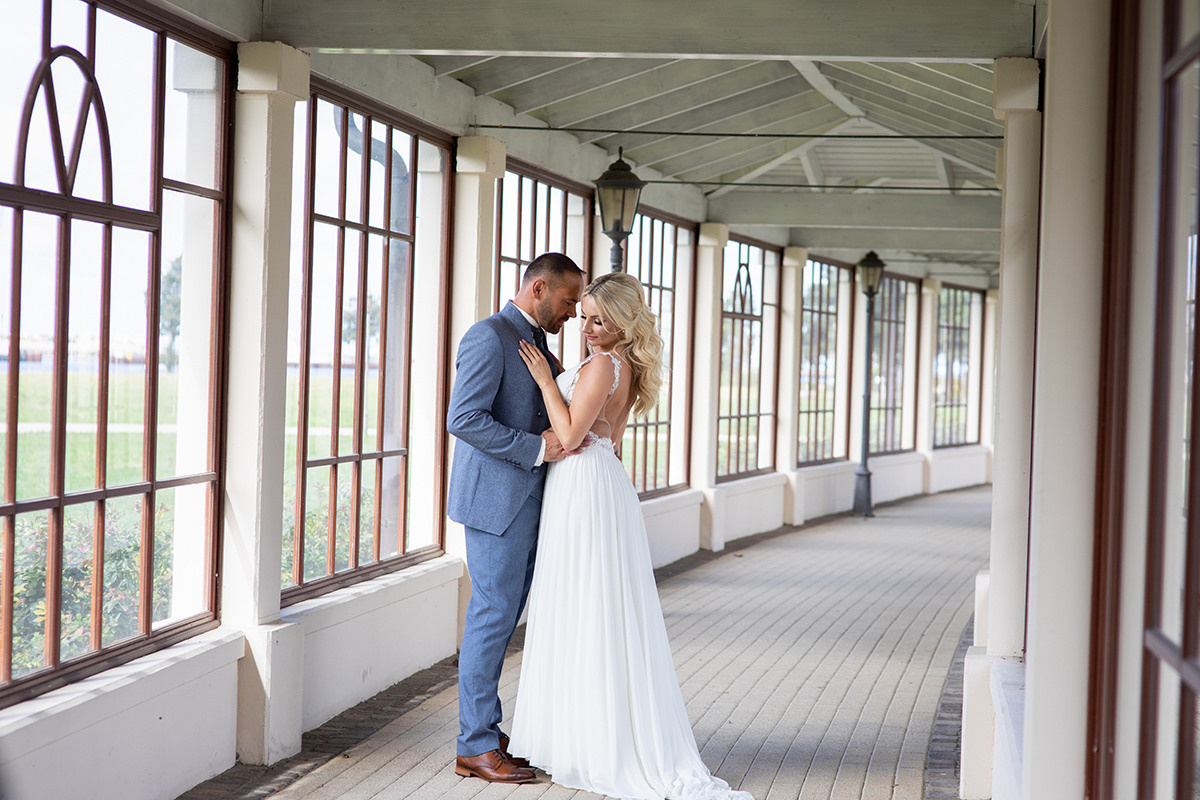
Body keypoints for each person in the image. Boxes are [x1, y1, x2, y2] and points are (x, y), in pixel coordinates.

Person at [510, 272, 754, 800]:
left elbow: (574, 437)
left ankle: (590, 744)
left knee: (587, 607)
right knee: (593, 607)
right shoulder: (626, 366)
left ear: (623, 322)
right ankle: (584, 737)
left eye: (601, 320)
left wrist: (547, 384)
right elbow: (608, 437)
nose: (589, 329)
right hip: (597, 483)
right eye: (587, 318)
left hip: (584, 484)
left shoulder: (604, 363)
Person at [445, 252, 587, 784]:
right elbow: (463, 418)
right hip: (493, 506)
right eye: (569, 300)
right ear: (539, 288)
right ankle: (474, 745)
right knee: (491, 617)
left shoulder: (536, 340)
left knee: (503, 619)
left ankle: (486, 729)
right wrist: (536, 448)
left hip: (525, 506)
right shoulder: (489, 335)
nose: (573, 312)